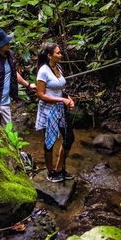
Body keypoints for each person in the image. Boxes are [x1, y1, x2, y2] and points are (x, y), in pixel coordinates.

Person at [0, 29, 35, 126]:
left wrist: (28, 85)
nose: (8, 43)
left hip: (5, 104)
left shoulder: (9, 56)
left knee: (8, 135)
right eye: (5, 42)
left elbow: (13, 73)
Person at [35, 43, 75, 183]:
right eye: (58, 53)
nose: (60, 55)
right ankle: (51, 172)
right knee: (49, 142)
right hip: (48, 110)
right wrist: (61, 100)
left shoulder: (58, 67)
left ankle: (59, 169)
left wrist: (68, 98)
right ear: (49, 56)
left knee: (69, 138)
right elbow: (41, 94)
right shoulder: (43, 71)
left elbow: (60, 88)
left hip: (60, 108)